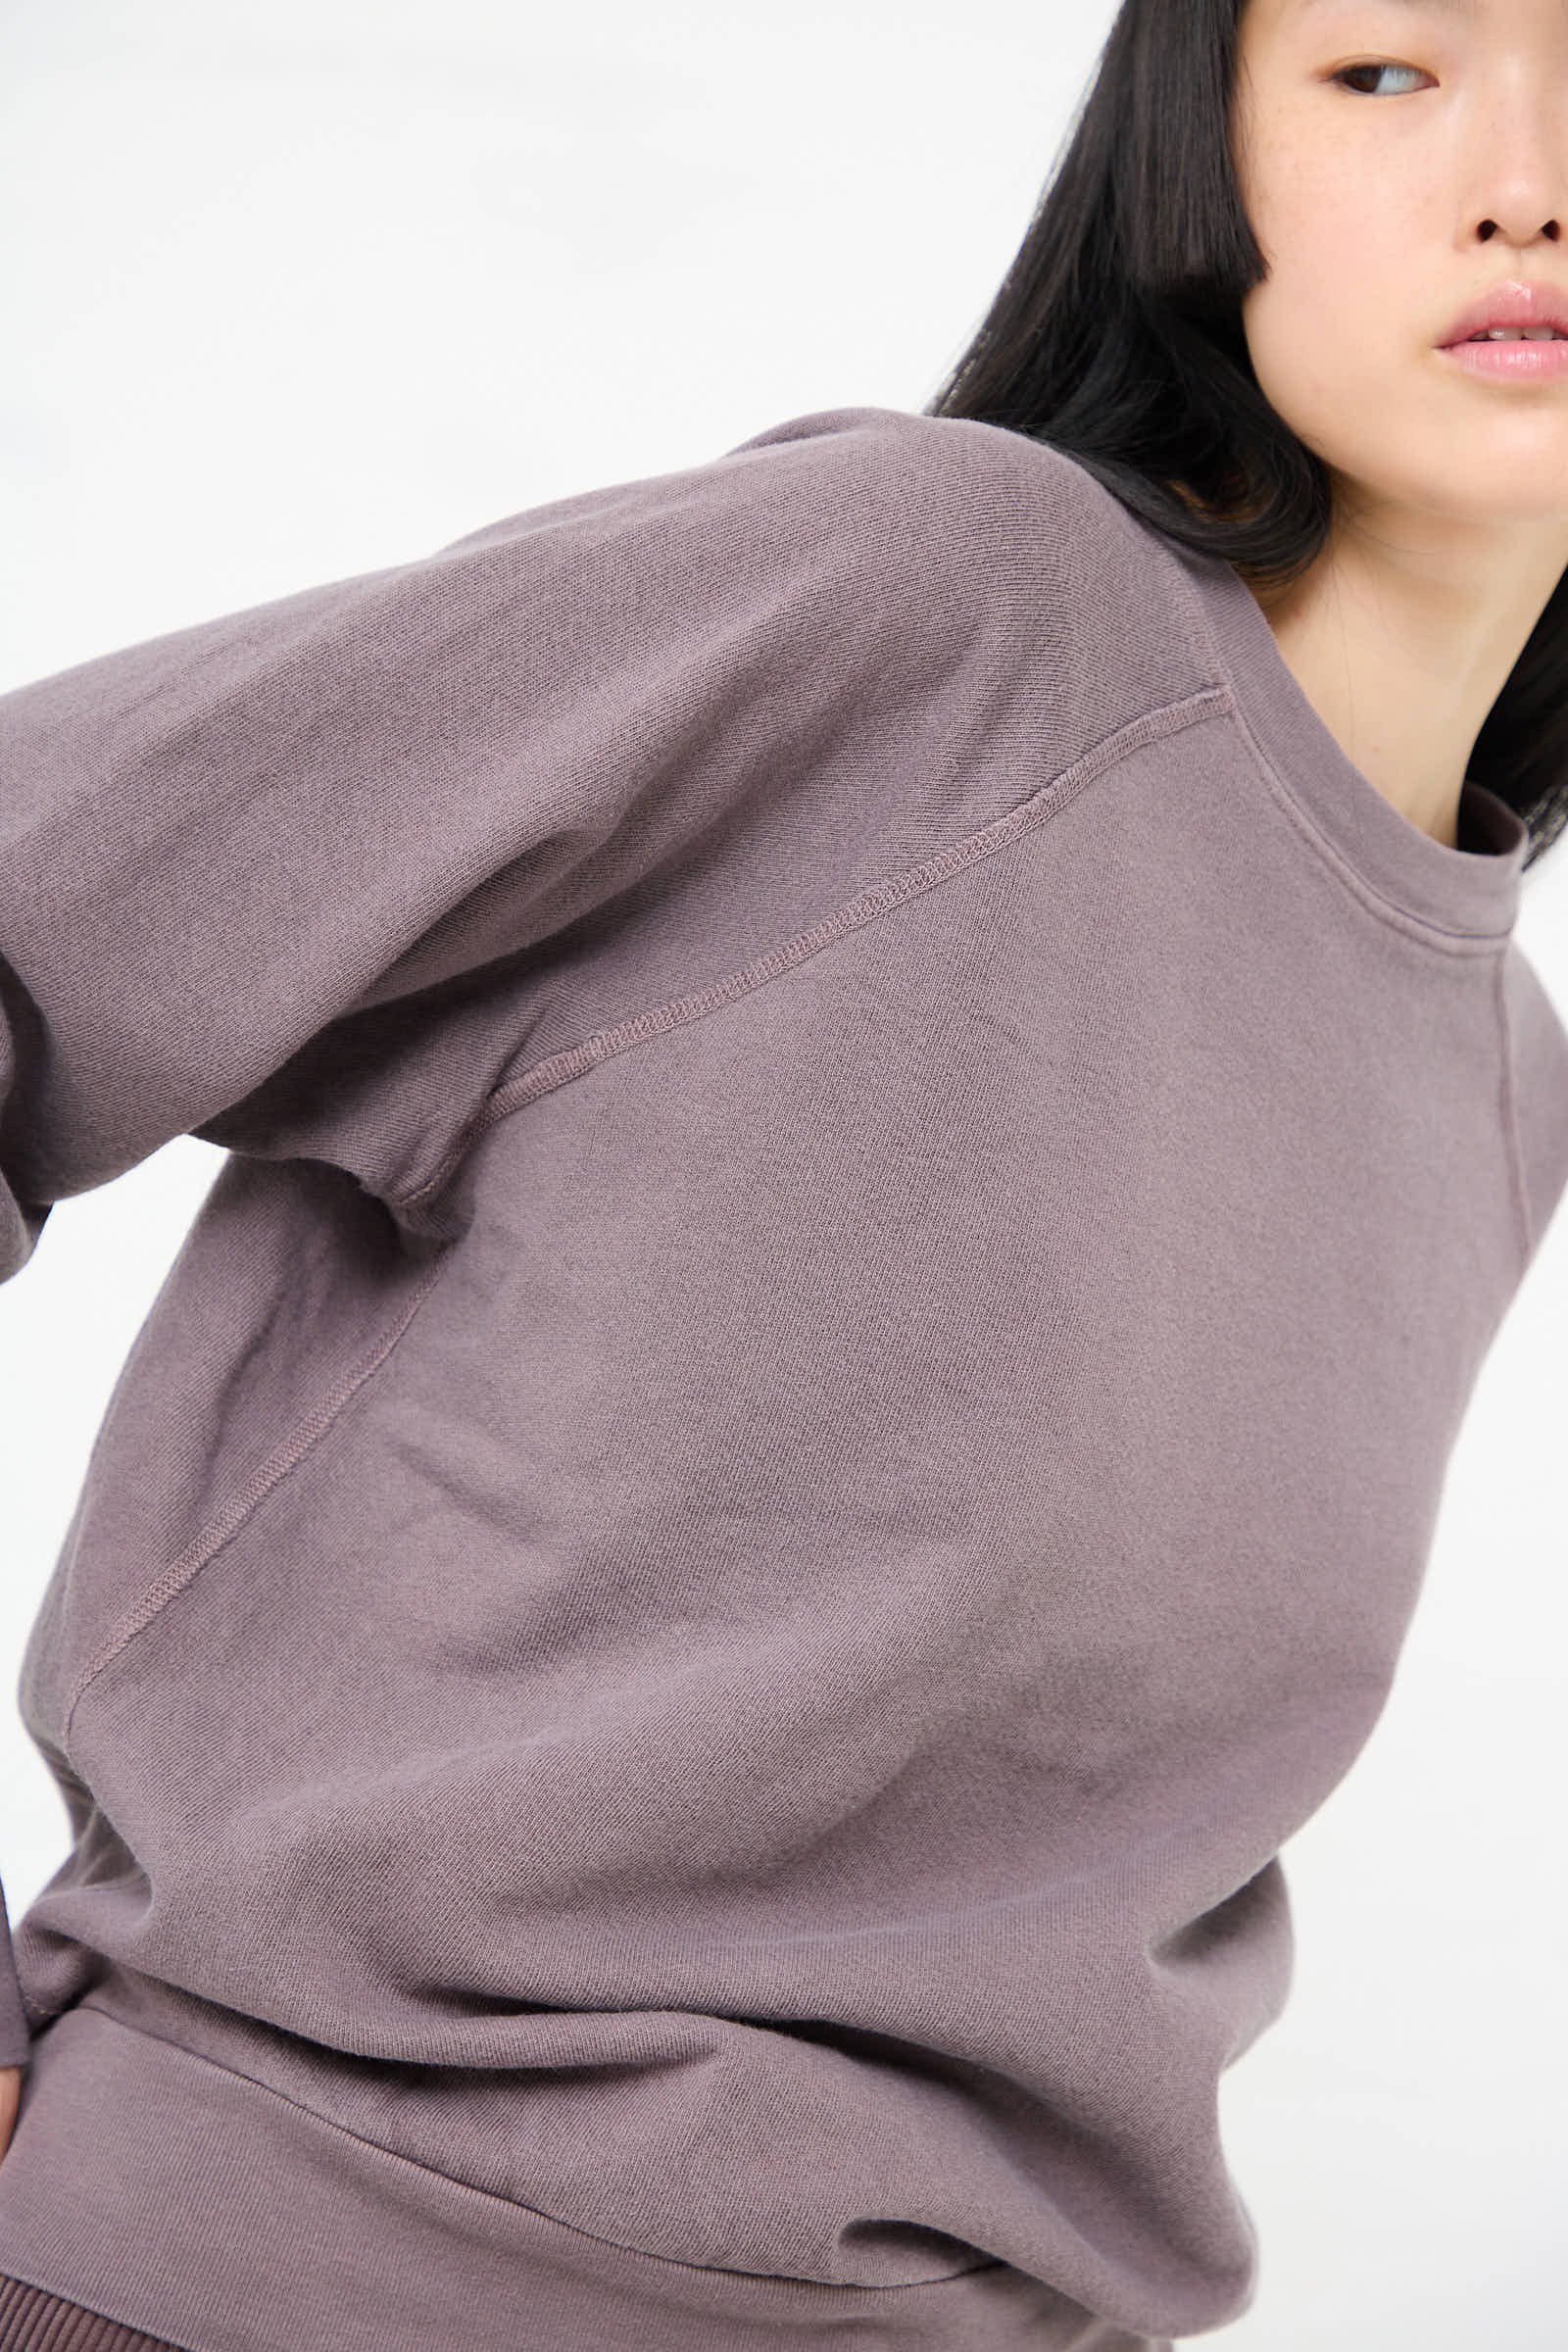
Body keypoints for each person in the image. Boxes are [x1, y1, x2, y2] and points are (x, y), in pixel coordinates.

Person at [2, 1, 1566, 2346]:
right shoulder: (942, 604)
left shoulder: (1494, 1071)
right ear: (1192, 168)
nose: (1524, 173)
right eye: (1384, 66)